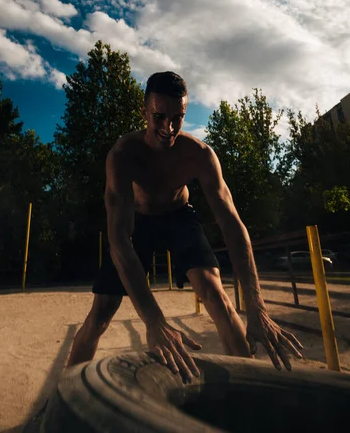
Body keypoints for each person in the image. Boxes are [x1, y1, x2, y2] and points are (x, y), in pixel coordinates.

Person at [67, 72, 303, 380]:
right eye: (159, 117)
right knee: (101, 312)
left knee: (216, 295)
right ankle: (62, 392)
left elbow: (233, 226)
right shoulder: (123, 156)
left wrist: (257, 307)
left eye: (177, 118)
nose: (168, 128)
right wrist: (154, 320)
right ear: (144, 113)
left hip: (179, 217)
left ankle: (252, 388)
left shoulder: (200, 155)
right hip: (137, 223)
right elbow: (119, 241)